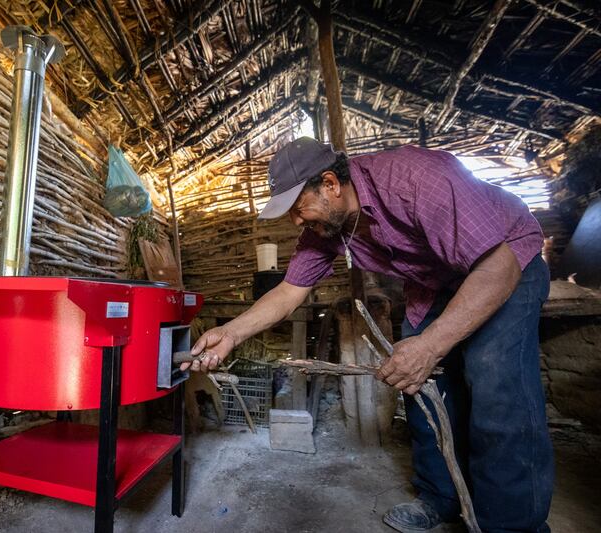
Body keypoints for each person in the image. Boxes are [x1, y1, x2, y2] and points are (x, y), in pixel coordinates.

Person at [185, 137, 553, 533]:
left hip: (504, 263)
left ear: (330, 184)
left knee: (496, 388)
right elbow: (290, 292)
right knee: (420, 387)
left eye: (297, 208)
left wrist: (430, 345)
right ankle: (439, 497)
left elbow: (497, 266)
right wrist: (230, 332)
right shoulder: (327, 227)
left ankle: (512, 524)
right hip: (435, 283)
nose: (296, 221)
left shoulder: (416, 179)